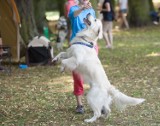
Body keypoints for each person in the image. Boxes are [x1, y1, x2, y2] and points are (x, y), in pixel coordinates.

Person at [68, 0, 97, 114]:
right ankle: (79, 105)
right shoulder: (73, 9)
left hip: (90, 46)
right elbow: (73, 16)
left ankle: (97, 103)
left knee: (94, 76)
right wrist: (82, 8)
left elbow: (94, 27)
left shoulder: (91, 10)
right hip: (77, 46)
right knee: (78, 76)